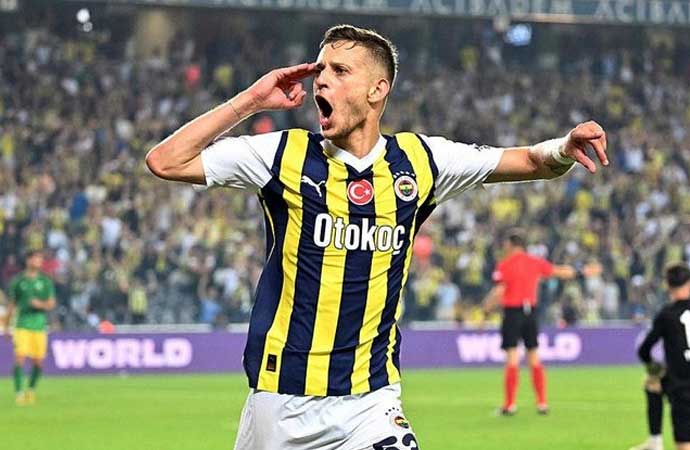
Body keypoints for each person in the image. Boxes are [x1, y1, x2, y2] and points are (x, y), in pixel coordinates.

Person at [146, 24, 608, 450]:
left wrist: (563, 147)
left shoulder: (421, 161)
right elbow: (166, 161)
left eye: (339, 70)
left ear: (377, 89)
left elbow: (530, 161)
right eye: (320, 70)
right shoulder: (283, 154)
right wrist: (251, 100)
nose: (321, 81)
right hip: (281, 403)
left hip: (371, 402)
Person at [482, 231, 600, 415]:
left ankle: (510, 404)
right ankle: (542, 402)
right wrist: (582, 271)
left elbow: (499, 290)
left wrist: (486, 310)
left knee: (512, 357)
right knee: (534, 355)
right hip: (530, 312)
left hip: (512, 312)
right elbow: (559, 272)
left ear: (511, 245)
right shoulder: (535, 262)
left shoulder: (505, 264)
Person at [637, 263, 690, 450]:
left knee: (651, 381)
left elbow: (644, 350)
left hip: (681, 387)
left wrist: (656, 370)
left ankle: (655, 440)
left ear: (667, 286)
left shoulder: (666, 315)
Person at [2, 249, 56, 405]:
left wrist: (40, 304)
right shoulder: (18, 281)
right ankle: (19, 393)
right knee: (19, 357)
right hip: (22, 325)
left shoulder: (45, 281)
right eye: (35, 258)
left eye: (39, 259)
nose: (38, 261)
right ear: (28, 260)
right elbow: (11, 305)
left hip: (39, 325)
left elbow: (51, 304)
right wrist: (6, 326)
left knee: (38, 362)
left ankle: (31, 390)